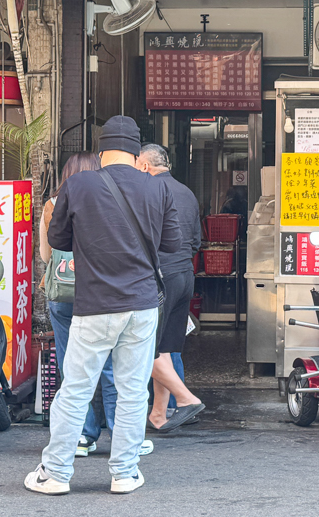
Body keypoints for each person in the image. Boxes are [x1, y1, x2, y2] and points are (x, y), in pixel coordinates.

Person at [25, 116, 180, 496]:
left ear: (101, 150)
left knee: (75, 389)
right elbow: (173, 244)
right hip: (141, 305)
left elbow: (58, 240)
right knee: (133, 391)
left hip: (94, 304)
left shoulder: (79, 184)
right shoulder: (158, 187)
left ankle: (56, 474)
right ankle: (124, 473)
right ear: (137, 153)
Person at [41, 153, 152, 459]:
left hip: (62, 293)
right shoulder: (109, 198)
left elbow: (46, 254)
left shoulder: (52, 203)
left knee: (72, 369)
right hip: (101, 291)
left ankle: (82, 436)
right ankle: (120, 436)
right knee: (113, 366)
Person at [136, 144, 205, 431]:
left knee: (142, 347)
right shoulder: (187, 192)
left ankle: (186, 398)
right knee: (163, 349)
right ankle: (158, 414)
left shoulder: (148, 191)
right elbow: (196, 240)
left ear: (144, 166)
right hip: (185, 274)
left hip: (160, 277)